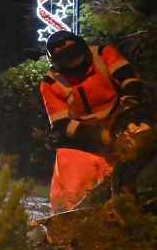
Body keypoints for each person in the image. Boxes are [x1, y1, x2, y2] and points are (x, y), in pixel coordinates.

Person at [39, 30, 146, 213]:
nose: (75, 69)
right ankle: (65, 222)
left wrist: (129, 108)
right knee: (70, 196)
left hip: (118, 122)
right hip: (80, 143)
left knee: (122, 194)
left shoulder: (104, 55)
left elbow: (130, 78)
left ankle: (126, 219)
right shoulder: (51, 83)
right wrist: (103, 136)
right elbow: (61, 124)